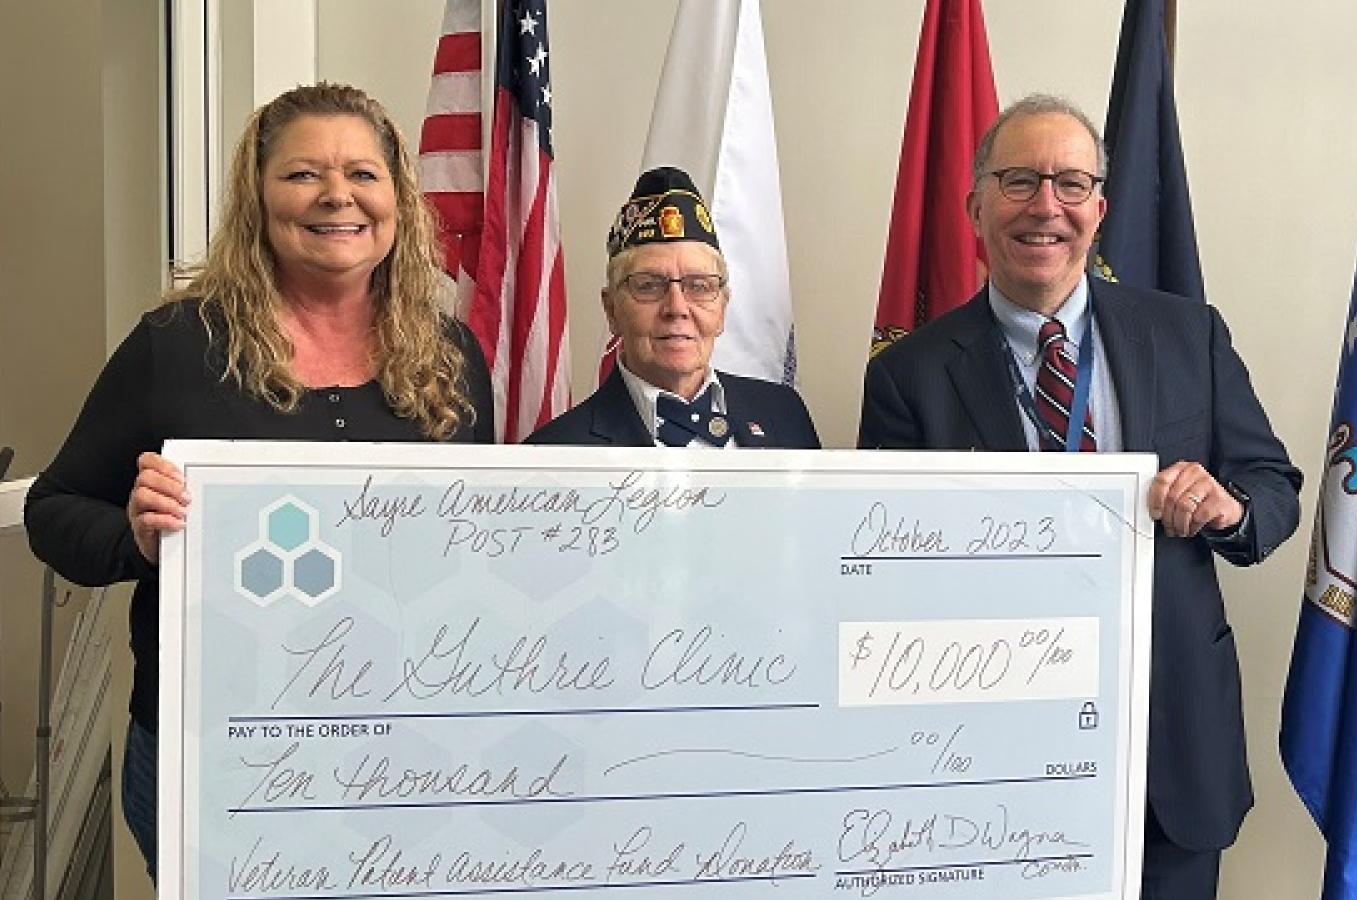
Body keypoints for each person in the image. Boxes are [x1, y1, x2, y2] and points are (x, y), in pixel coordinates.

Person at [24, 82, 494, 878]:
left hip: (403, 747)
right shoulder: (177, 345)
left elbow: (471, 544)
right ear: (259, 195)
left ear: (398, 198)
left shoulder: (452, 354)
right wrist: (135, 538)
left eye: (362, 174)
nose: (336, 195)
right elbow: (52, 510)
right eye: (303, 173)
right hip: (212, 742)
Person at [858, 94, 1302, 899]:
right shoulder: (908, 374)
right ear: (976, 206)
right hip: (985, 756)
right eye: (1019, 180)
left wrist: (1227, 508)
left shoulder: (1188, 333)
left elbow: (1275, 493)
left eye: (1070, 183)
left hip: (1169, 741)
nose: (1045, 207)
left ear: (1099, 208)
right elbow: (883, 574)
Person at [527, 166, 818, 448]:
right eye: (649, 285)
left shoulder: (785, 416)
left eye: (699, 286)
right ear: (612, 310)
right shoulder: (555, 452)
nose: (677, 308)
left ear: (723, 308)